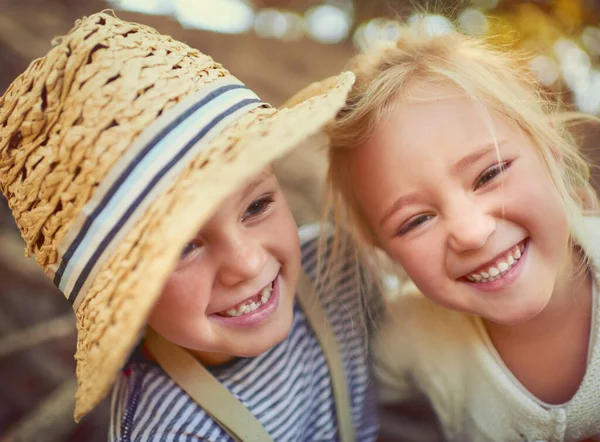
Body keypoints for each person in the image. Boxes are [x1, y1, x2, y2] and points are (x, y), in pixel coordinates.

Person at [0, 11, 379, 441]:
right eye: (182, 247)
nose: (247, 262)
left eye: (256, 206)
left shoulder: (339, 270)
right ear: (126, 299)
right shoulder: (169, 428)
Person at [324, 24, 600, 441]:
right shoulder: (406, 341)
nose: (471, 232)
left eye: (490, 174)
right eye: (415, 221)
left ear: (552, 153)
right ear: (386, 252)